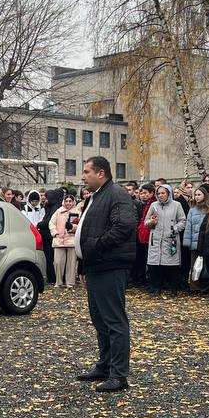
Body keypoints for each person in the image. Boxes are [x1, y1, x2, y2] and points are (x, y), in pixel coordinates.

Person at [74, 157, 136, 392]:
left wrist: (96, 246)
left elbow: (124, 226)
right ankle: (106, 365)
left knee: (114, 320)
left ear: (101, 173)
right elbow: (88, 230)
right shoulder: (97, 195)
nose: (83, 176)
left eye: (86, 171)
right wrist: (84, 265)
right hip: (96, 266)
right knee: (100, 319)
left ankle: (119, 375)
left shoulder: (116, 194)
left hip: (110, 265)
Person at [144, 184, 186, 294]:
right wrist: (152, 222)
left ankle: (173, 288)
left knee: (171, 265)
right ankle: (156, 288)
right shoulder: (154, 205)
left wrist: (174, 229)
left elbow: (182, 220)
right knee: (155, 265)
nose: (160, 195)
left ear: (169, 193)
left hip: (171, 239)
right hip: (156, 240)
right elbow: (146, 222)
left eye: (163, 193)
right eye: (158, 193)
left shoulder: (176, 205)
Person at [49, 193, 81, 289]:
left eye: (70, 201)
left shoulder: (77, 212)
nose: (68, 203)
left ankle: (70, 282)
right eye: (66, 201)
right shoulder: (59, 211)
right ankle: (58, 281)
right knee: (58, 262)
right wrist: (55, 232)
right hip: (59, 240)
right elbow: (51, 223)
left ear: (73, 202)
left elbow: (80, 225)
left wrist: (72, 227)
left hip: (71, 240)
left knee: (71, 263)